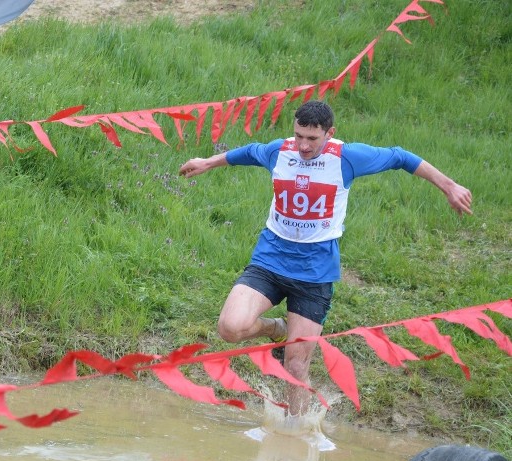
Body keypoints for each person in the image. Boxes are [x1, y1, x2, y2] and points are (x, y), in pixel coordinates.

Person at [178, 101, 472, 416]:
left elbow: (400, 156)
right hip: (270, 259)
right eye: (298, 136)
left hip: (314, 274)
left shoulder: (348, 157)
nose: (303, 145)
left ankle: (295, 432)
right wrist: (208, 162)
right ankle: (278, 328)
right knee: (229, 327)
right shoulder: (281, 151)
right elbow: (250, 151)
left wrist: (449, 185)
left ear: (329, 134)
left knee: (295, 364)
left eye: (312, 139)